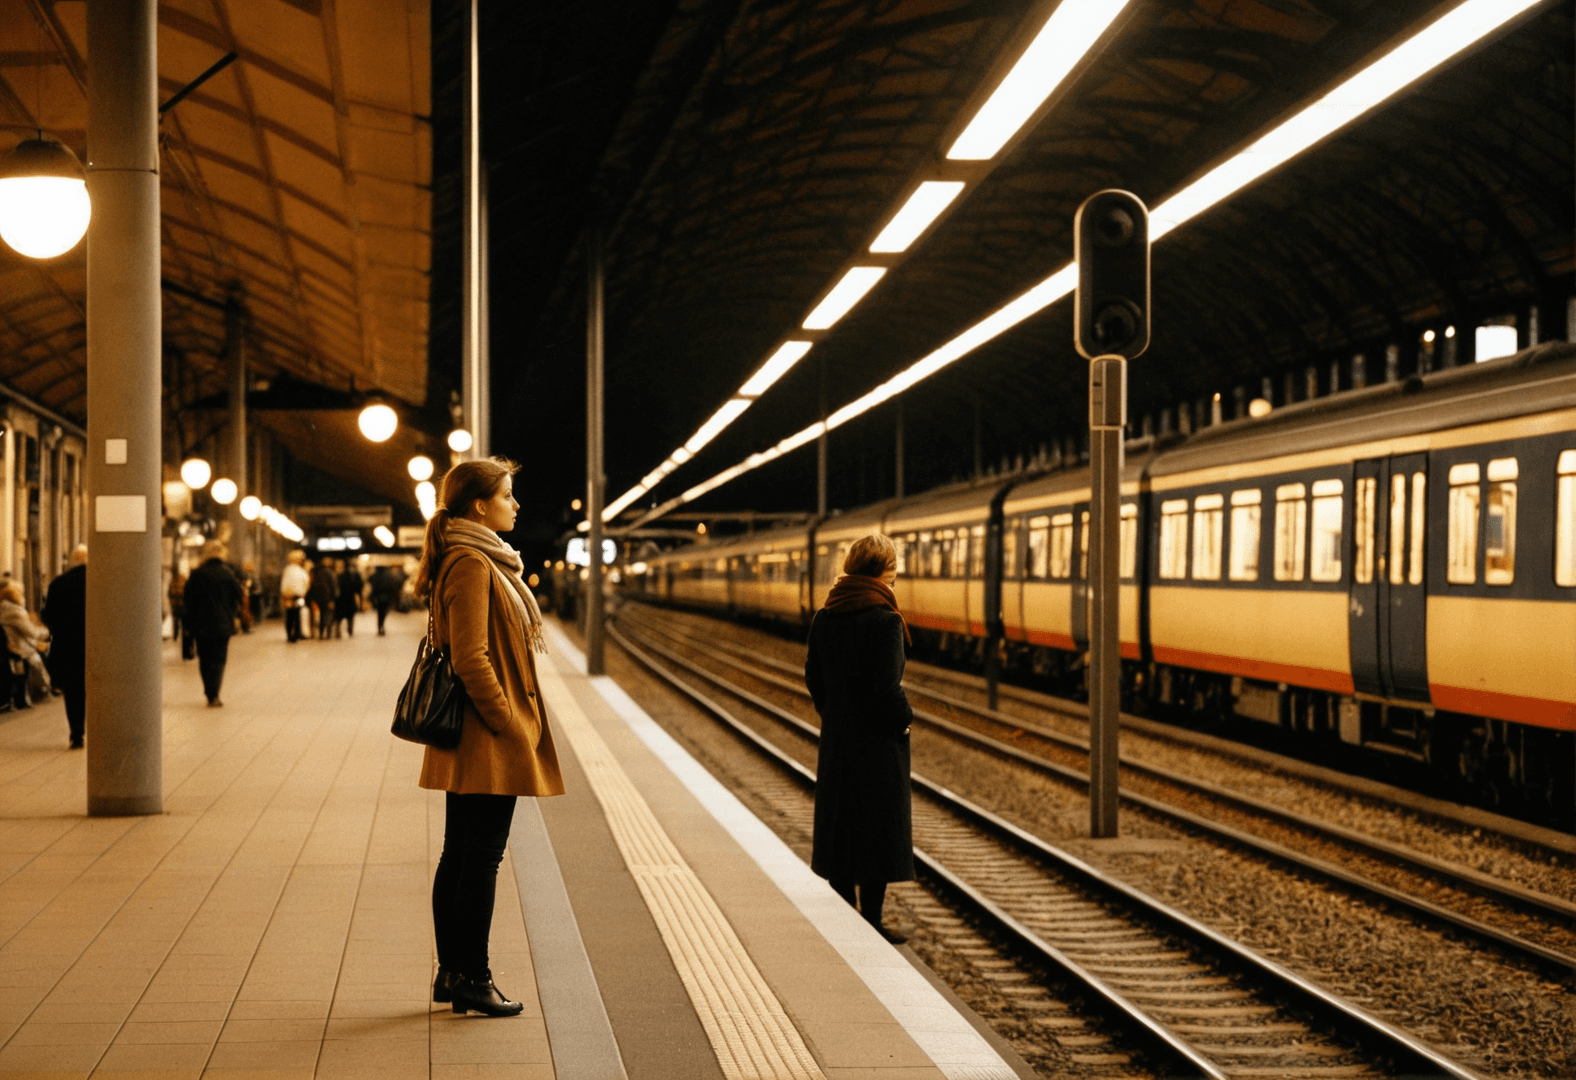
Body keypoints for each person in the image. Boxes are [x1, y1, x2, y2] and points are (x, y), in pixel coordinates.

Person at [414, 457, 563, 1017]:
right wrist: (506, 723)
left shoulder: (472, 558)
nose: (516, 505)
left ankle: (452, 973)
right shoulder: (474, 564)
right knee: (480, 859)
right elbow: (471, 656)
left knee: (461, 855)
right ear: (480, 505)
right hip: (485, 734)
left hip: (474, 735)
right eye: (507, 495)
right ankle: (474, 977)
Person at [804, 532, 915, 944]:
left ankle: (845, 916)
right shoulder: (885, 619)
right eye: (893, 571)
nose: (895, 579)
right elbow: (887, 689)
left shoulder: (826, 616)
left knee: (842, 828)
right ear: (883, 572)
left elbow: (813, 675)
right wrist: (904, 721)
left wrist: (833, 714)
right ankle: (871, 921)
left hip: (839, 740)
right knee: (876, 833)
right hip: (878, 745)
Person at [182, 539, 243, 706]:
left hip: (200, 623)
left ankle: (209, 690)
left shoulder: (197, 574)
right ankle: (214, 693)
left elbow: (187, 599)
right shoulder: (227, 573)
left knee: (204, 658)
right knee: (219, 658)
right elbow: (239, 595)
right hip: (223, 623)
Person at [42, 545, 86, 748]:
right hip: (97, 645)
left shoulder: (59, 583)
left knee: (74, 691)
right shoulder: (103, 582)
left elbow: (48, 616)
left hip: (68, 647)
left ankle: (76, 733)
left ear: (72, 560)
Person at [0, 582, 49, 710]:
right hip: (19, 648)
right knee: (42, 653)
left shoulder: (4, 610)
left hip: (10, 647)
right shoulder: (15, 612)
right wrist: (45, 632)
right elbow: (30, 631)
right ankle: (41, 689)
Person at [279, 549, 309, 642]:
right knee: (297, 615)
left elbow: (284, 584)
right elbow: (306, 583)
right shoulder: (301, 571)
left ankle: (290, 634)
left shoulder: (288, 570)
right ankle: (297, 633)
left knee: (290, 616)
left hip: (288, 596)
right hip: (298, 596)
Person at [309, 557, 338, 640]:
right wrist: (333, 598)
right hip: (328, 598)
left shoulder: (317, 573)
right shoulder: (331, 573)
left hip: (319, 598)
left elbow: (314, 585)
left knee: (321, 615)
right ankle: (328, 633)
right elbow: (334, 586)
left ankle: (321, 632)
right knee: (329, 614)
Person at [335, 559, 363, 637]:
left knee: (340, 617)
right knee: (350, 616)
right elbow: (358, 587)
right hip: (350, 598)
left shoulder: (339, 576)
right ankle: (350, 631)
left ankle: (338, 632)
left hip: (340, 599)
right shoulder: (353, 576)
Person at [370, 564, 400, 635]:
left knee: (379, 612)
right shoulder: (388, 576)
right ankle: (381, 625)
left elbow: (372, 585)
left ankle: (380, 626)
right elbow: (393, 587)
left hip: (378, 597)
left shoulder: (375, 576)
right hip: (386, 597)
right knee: (383, 612)